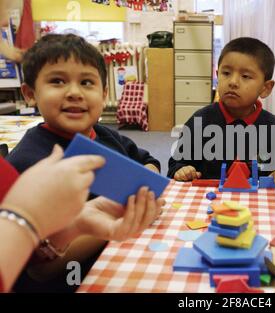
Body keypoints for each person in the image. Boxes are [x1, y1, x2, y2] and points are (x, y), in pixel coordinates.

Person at [5, 33, 164, 291]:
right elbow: (39, 269)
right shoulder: (29, 164)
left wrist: (145, 178)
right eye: (57, 81)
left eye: (87, 82)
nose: (74, 93)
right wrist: (115, 224)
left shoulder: (104, 134)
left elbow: (148, 159)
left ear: (103, 95)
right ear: (30, 94)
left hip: (125, 253)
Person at [168, 37, 275, 184]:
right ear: (217, 76)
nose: (233, 82)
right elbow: (176, 163)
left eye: (245, 76)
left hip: (255, 202)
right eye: (226, 73)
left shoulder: (271, 127)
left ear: (265, 88)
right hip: (209, 201)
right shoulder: (201, 121)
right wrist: (182, 170)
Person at [0, 146, 104, 291]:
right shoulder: (25, 162)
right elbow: (38, 269)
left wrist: (80, 225)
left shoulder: (107, 138)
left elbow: (36, 253)